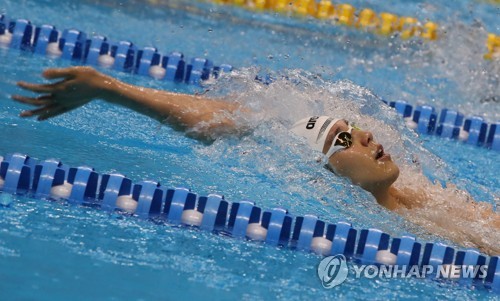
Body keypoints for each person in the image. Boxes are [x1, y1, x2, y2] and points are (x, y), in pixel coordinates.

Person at [11, 66, 500, 255]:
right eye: (344, 138)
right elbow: (223, 122)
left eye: (356, 128)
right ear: (329, 171)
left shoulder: (413, 189)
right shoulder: (380, 226)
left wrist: (114, 88)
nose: (368, 138)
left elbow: (254, 115)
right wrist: (110, 90)